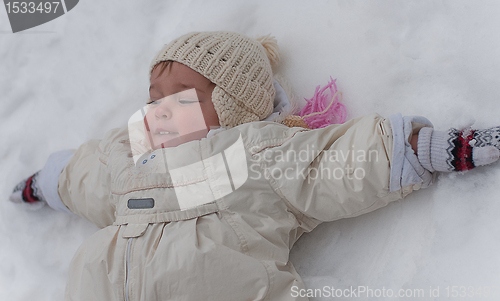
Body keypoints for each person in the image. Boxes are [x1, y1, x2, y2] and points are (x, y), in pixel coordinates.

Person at [8, 31, 500, 301]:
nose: (155, 110)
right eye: (152, 99)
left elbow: (331, 163)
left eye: (178, 98)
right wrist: (48, 183)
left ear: (230, 105)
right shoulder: (125, 164)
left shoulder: (253, 155)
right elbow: (85, 174)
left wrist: (429, 147)